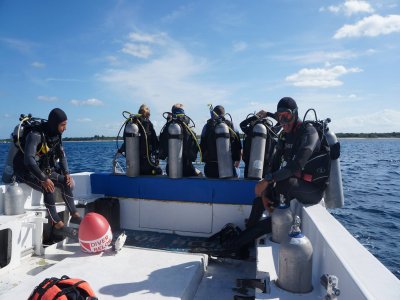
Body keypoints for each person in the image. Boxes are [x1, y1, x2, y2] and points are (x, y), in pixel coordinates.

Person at [13, 108, 80, 231]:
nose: (65, 128)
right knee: (49, 187)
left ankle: (75, 214)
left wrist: (67, 173)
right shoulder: (35, 135)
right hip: (25, 170)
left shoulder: (56, 135)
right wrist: (43, 179)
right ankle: (56, 222)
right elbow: (28, 160)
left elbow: (62, 155)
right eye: (63, 125)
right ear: (55, 124)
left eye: (66, 125)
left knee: (66, 181)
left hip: (43, 169)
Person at [159, 103, 202, 177]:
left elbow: (162, 154)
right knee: (200, 174)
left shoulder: (167, 128)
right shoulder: (189, 130)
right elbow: (193, 156)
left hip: (170, 170)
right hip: (187, 169)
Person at [118, 104, 162, 175]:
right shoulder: (148, 124)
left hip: (133, 166)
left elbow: (126, 141)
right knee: (159, 171)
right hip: (147, 165)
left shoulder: (131, 124)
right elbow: (156, 144)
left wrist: (120, 151)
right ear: (148, 114)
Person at [200, 105, 242, 178]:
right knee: (238, 171)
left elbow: (202, 146)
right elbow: (239, 146)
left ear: (213, 114)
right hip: (228, 168)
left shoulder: (206, 126)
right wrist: (237, 161)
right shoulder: (232, 125)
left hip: (210, 169)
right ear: (224, 114)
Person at [240, 110, 277, 178]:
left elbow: (242, 124)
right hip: (266, 169)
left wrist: (255, 117)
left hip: (249, 168)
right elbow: (281, 121)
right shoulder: (271, 131)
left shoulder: (251, 130)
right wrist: (268, 114)